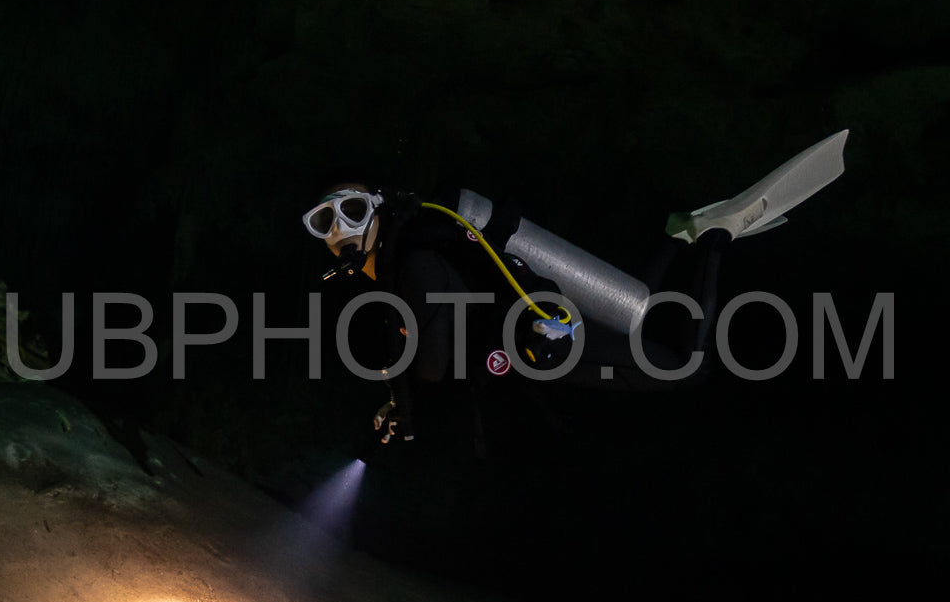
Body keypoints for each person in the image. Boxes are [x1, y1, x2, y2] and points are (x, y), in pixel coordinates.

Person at [302, 131, 849, 450]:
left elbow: (434, 350)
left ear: (380, 208)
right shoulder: (405, 261)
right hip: (538, 339)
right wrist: (403, 396)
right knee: (635, 310)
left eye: (352, 211)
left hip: (545, 339)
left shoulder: (413, 259)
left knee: (687, 367)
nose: (340, 231)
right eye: (323, 221)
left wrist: (405, 403)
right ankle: (680, 236)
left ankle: (716, 237)